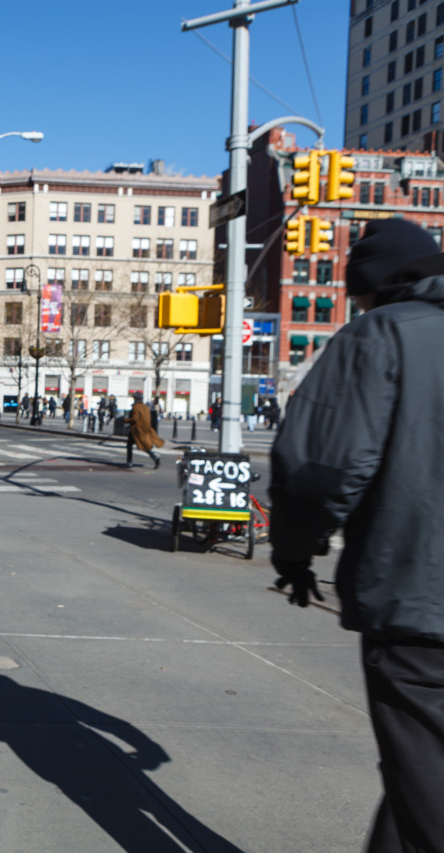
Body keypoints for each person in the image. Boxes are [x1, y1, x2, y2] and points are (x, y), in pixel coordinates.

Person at [269, 218, 444, 853]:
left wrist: (293, 551)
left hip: (418, 604)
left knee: (426, 777)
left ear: (373, 286)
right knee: (416, 772)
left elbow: (320, 470)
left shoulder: (379, 335)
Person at [124, 392, 163, 469]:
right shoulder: (145, 407)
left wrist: (126, 420)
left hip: (136, 430)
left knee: (129, 445)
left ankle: (129, 462)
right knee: (144, 446)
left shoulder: (136, 407)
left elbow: (135, 419)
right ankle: (155, 457)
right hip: (144, 429)